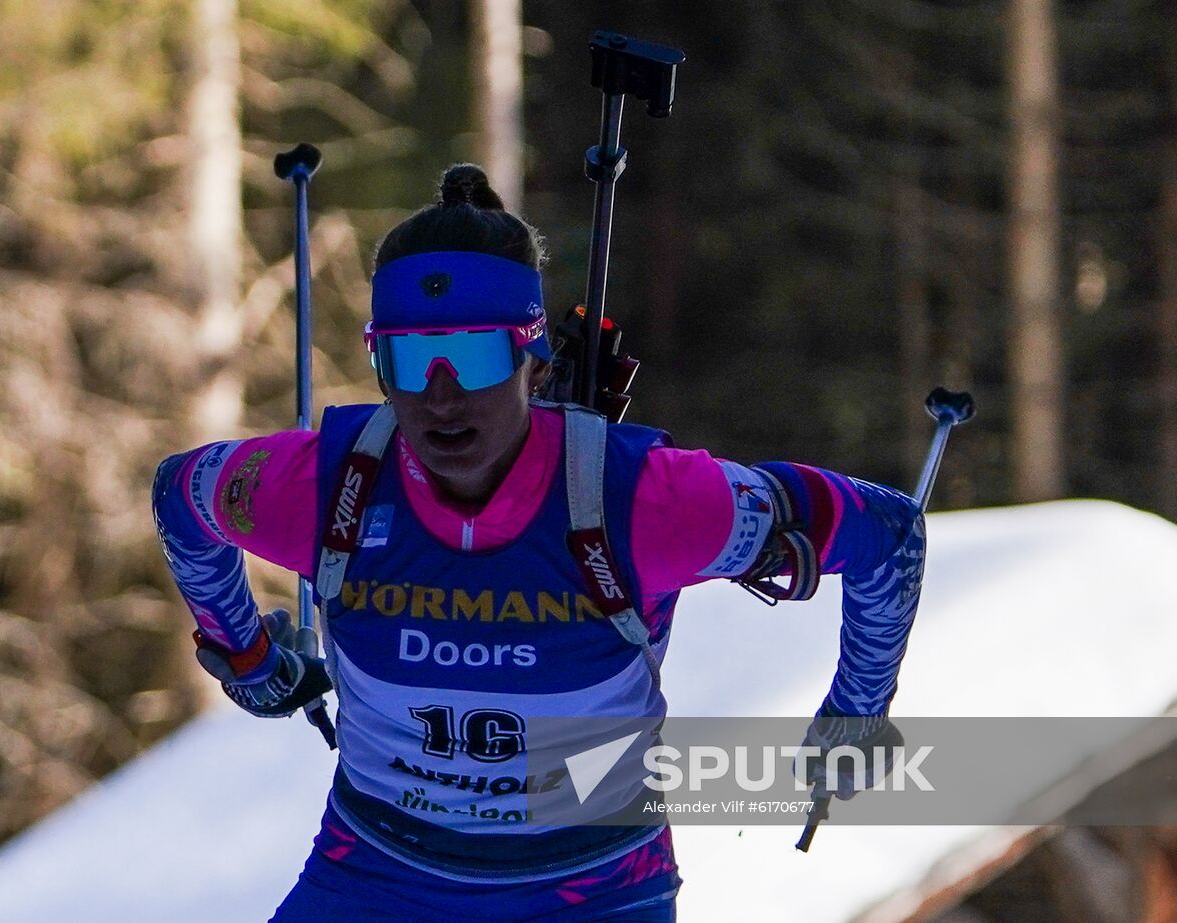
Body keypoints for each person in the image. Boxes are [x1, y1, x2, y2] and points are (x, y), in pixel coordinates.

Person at [151, 164, 927, 922]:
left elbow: (886, 532)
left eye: (478, 354)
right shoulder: (327, 487)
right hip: (379, 877)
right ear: (378, 363)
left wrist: (856, 711)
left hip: (590, 889)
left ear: (533, 355)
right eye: (411, 359)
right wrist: (249, 662)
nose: (443, 393)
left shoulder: (643, 500)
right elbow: (181, 496)